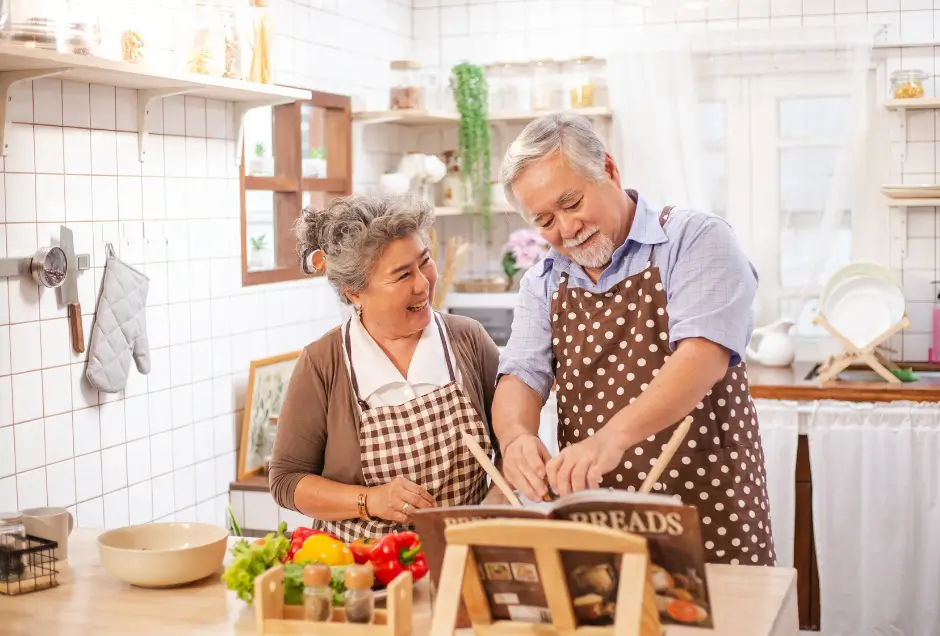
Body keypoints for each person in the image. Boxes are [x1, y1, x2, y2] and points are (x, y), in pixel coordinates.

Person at [492, 112, 775, 567]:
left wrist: (608, 441)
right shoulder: (542, 282)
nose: (565, 230)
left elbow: (701, 357)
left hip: (703, 502)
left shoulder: (694, 239)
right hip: (595, 515)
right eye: (544, 220)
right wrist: (515, 438)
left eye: (572, 203)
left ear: (608, 169)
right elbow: (521, 375)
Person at [268, 194, 502, 542]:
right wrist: (370, 500)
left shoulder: (467, 340)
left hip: (460, 558)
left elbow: (512, 446)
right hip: (360, 570)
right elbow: (286, 481)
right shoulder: (324, 363)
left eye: (424, 263)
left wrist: (494, 510)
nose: (423, 283)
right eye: (402, 275)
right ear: (355, 293)